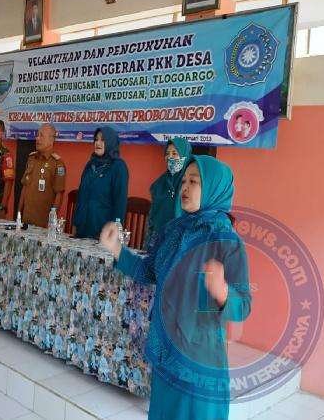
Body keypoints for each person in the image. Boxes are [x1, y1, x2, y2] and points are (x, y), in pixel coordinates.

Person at [100, 156, 251, 420]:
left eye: (194, 181)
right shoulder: (173, 230)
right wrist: (117, 250)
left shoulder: (226, 240)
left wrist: (223, 291)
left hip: (198, 360)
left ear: (214, 188)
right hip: (166, 349)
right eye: (184, 181)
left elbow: (243, 306)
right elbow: (149, 271)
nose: (185, 187)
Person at [72, 127, 128, 239]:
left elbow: (120, 203)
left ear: (111, 142)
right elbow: (81, 197)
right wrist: (76, 224)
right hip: (82, 230)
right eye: (96, 139)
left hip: (103, 233)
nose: (98, 143)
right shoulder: (90, 164)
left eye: (103, 140)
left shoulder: (118, 167)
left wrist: (113, 233)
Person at [146, 137, 193, 247]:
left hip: (181, 240)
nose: (170, 157)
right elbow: (153, 216)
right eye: (167, 153)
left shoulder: (190, 184)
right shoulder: (160, 183)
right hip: (158, 238)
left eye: (174, 153)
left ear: (185, 156)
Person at [18, 123, 66, 228]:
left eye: (41, 135)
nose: (37, 138)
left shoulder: (57, 164)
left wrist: (52, 222)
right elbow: (25, 187)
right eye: (37, 135)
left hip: (43, 225)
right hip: (25, 221)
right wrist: (18, 213)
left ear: (51, 140)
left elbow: (59, 194)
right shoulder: (31, 158)